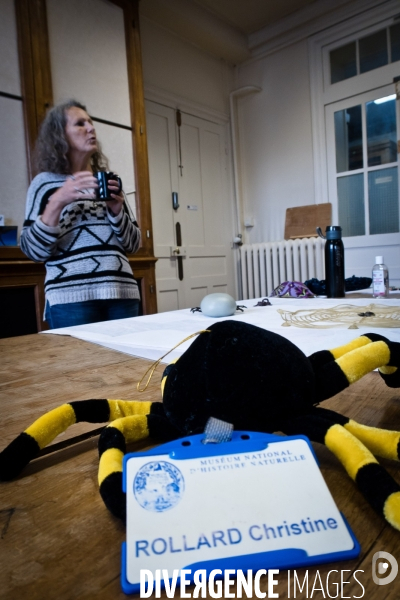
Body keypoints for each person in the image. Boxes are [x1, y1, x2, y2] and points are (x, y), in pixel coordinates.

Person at [20, 99, 141, 328]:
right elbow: (32, 250)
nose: (91, 127)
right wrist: (58, 201)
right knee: (78, 364)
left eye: (91, 122)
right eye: (79, 123)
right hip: (70, 299)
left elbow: (134, 244)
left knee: (128, 364)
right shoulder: (44, 185)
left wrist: (116, 212)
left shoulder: (108, 182)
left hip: (121, 293)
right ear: (60, 136)